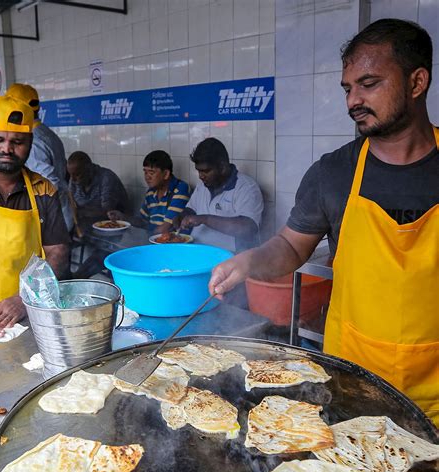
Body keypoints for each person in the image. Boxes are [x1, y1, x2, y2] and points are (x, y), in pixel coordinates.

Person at [209, 19, 438, 425]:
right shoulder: (333, 173)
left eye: (369, 84)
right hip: (354, 379)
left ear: (417, 82)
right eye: (348, 88)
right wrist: (247, 262)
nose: (354, 101)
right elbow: (291, 247)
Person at [0, 95, 70, 340]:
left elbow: (57, 252)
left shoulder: (43, 190)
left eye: (18, 141)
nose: (7, 149)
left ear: (30, 142)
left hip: (23, 316)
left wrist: (25, 299)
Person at [175, 137, 264, 253]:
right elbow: (191, 209)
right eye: (199, 171)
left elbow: (248, 228)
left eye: (206, 171)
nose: (201, 176)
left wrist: (205, 219)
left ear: (222, 167)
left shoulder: (247, 188)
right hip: (197, 250)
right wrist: (182, 216)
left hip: (230, 257)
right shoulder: (204, 185)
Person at [5, 83, 73, 231]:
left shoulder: (32, 142)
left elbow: (50, 183)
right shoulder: (47, 133)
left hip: (49, 222)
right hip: (61, 216)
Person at [109, 150, 190, 234]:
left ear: (166, 174)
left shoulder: (180, 189)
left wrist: (144, 240)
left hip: (170, 244)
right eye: (145, 172)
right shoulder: (150, 193)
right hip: (153, 240)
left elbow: (165, 229)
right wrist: (123, 217)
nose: (147, 177)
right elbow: (142, 221)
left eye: (151, 173)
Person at [67, 151, 130, 232]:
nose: (73, 179)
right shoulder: (73, 180)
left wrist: (80, 212)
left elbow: (107, 212)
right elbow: (71, 204)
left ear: (89, 168)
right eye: (70, 175)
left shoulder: (106, 178)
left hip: (117, 227)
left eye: (77, 174)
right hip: (89, 226)